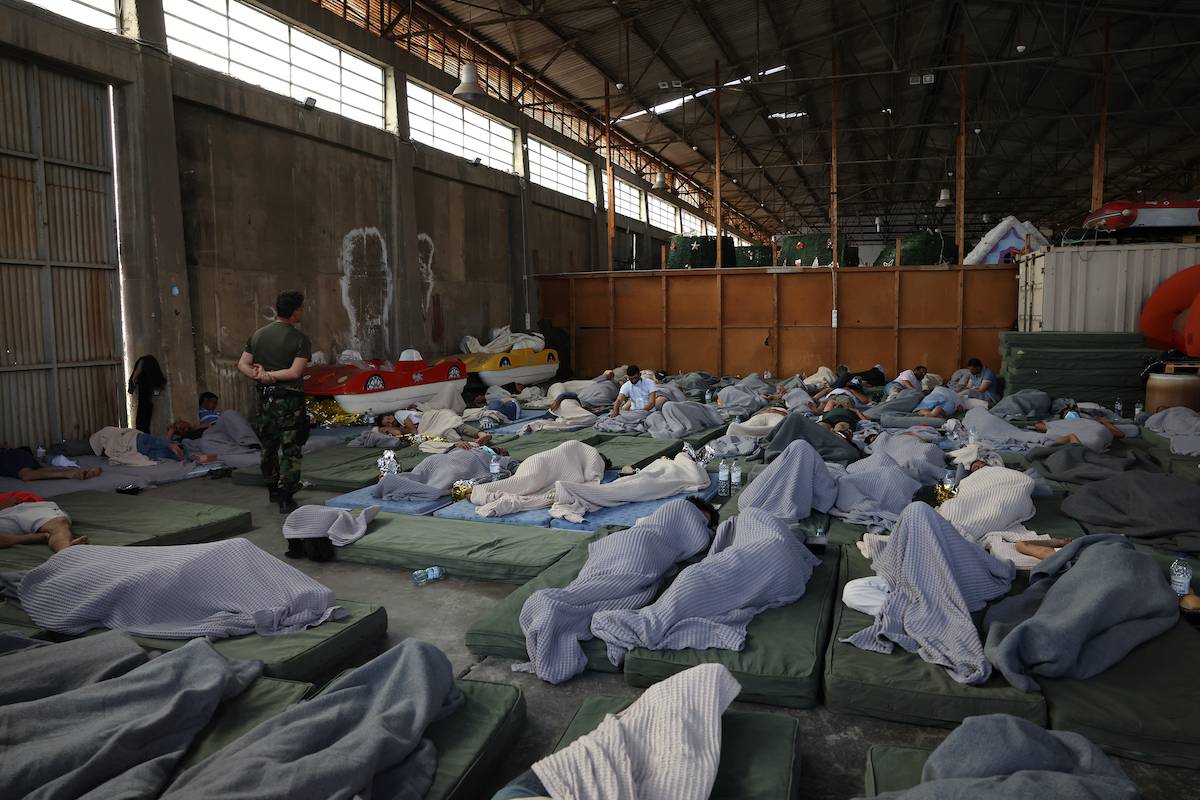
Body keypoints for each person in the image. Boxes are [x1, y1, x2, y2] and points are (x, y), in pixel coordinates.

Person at [239, 290, 312, 513]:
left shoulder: (258, 335)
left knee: (268, 447)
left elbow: (242, 364)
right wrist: (271, 375)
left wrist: (259, 375)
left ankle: (272, 489)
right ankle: (286, 496)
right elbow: (294, 372)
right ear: (296, 311)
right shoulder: (300, 339)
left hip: (265, 402)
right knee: (291, 448)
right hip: (289, 402)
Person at [0, 492, 88, 552]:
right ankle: (36, 537)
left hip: (25, 507)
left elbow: (11, 501)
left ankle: (67, 552)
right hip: (3, 516)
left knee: (57, 524)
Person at [0, 448, 101, 482]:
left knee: (27, 475)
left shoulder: (8, 455)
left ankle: (70, 473)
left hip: (12, 455)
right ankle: (75, 472)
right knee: (35, 472)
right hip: (21, 455)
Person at [127, 355, 167, 433]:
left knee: (140, 427)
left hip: (143, 403)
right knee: (145, 428)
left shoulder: (142, 367)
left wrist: (132, 384)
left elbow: (133, 380)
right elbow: (156, 390)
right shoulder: (152, 376)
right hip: (147, 403)